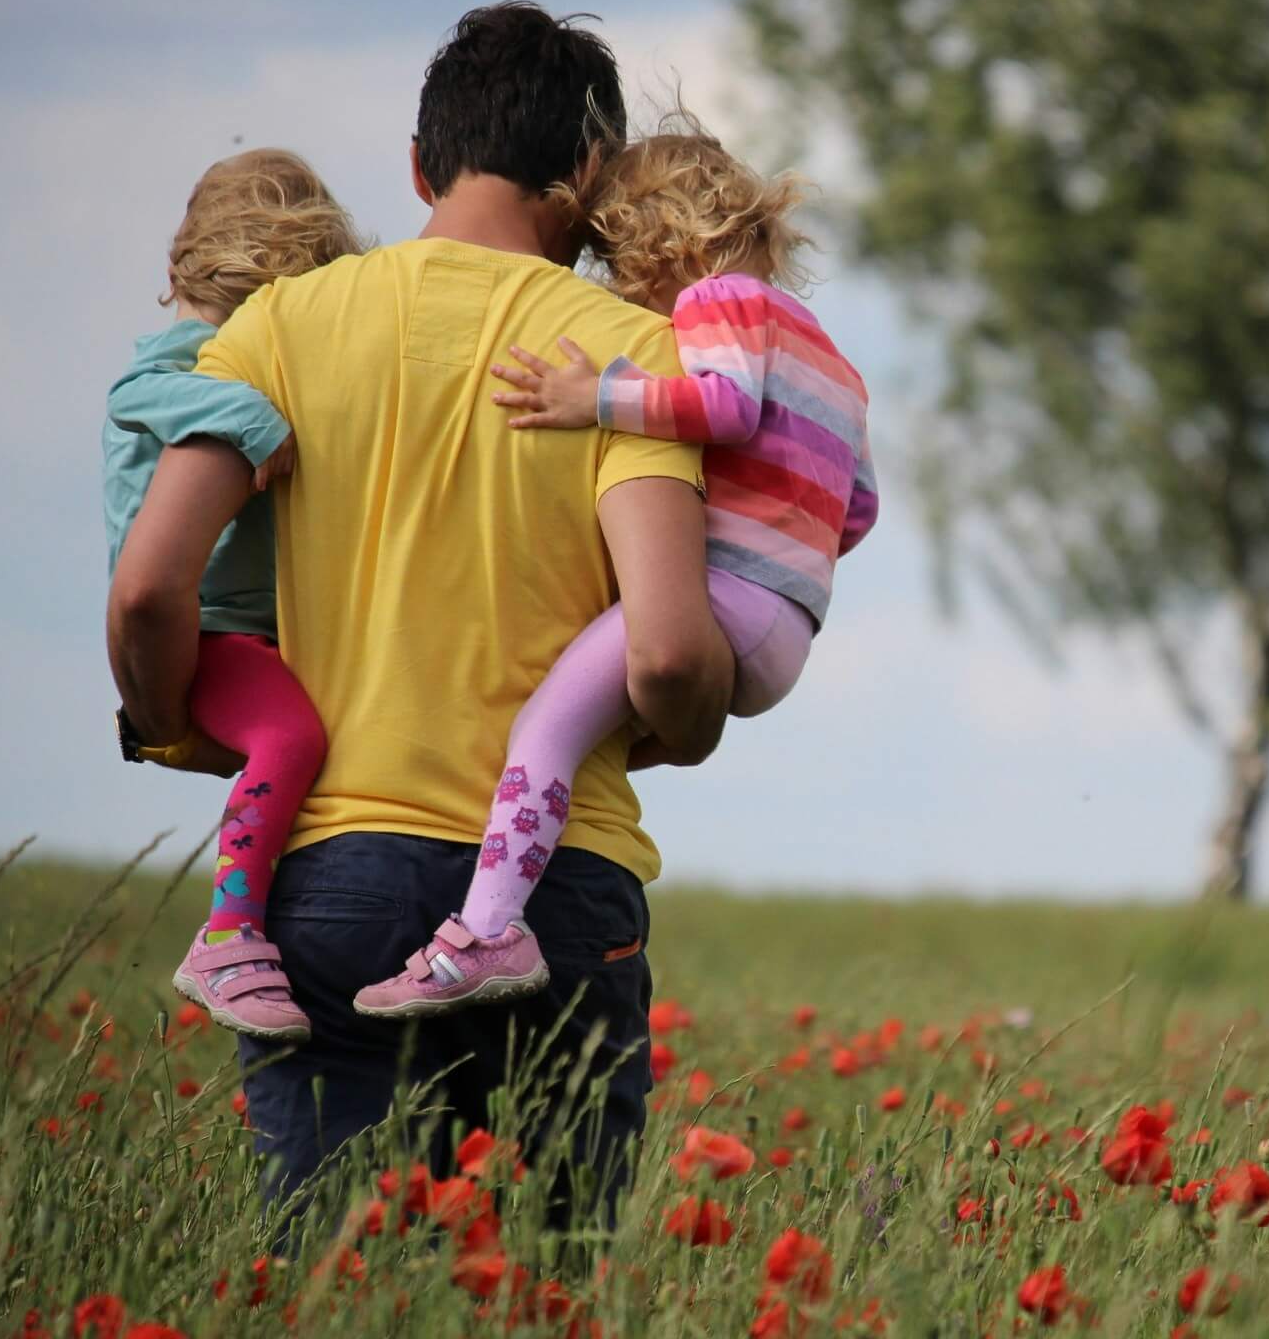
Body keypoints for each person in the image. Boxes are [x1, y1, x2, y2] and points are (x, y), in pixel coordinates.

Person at [107, 0, 733, 1201]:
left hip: (331, 873)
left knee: (340, 1283)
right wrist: (689, 727)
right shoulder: (627, 356)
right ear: (590, 173)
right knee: (551, 1282)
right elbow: (663, 653)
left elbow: (147, 589)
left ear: (417, 164)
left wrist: (176, 722)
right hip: (559, 886)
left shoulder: (275, 329)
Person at [353, 123, 878, 1017]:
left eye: (616, 261)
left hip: (725, 599)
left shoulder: (719, 302)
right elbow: (857, 509)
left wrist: (592, 397)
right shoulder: (833, 358)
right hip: (789, 625)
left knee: (544, 730)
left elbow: (724, 406)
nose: (621, 288)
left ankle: (486, 932)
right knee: (590, 734)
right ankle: (514, 891)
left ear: (658, 243)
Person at [103, 149, 361, 1042]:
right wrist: (254, 420)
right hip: (209, 631)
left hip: (251, 632)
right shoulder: (189, 357)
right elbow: (138, 392)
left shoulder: (227, 351)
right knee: (292, 736)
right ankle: (229, 934)